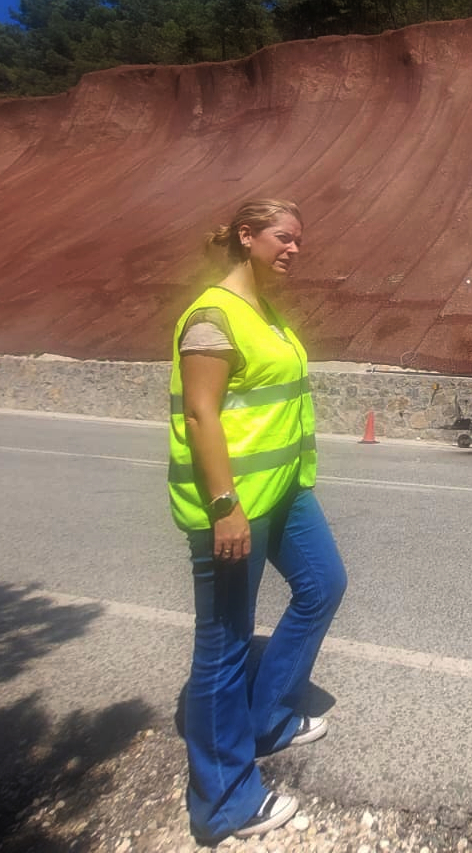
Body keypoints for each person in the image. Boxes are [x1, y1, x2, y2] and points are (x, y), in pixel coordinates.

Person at [169, 198, 348, 843]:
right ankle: (224, 804)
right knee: (224, 644)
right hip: (234, 504)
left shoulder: (262, 311)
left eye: (300, 239)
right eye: (283, 237)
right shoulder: (213, 316)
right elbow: (200, 415)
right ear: (247, 237)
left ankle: (267, 717)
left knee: (324, 584)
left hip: (285, 493)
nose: (294, 248)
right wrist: (224, 508)